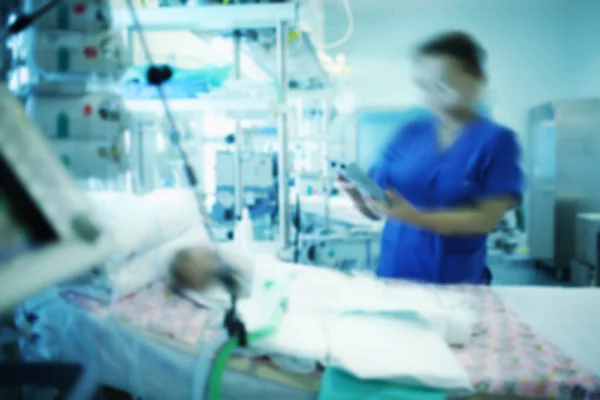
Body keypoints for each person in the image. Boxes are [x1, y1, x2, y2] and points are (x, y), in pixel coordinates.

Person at [340, 31, 524, 285]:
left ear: (477, 77)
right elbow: (378, 212)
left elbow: (485, 219)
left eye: (443, 85)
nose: (432, 96)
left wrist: (414, 216)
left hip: (458, 282)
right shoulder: (409, 134)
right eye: (424, 87)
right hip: (394, 278)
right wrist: (356, 195)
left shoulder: (497, 141)